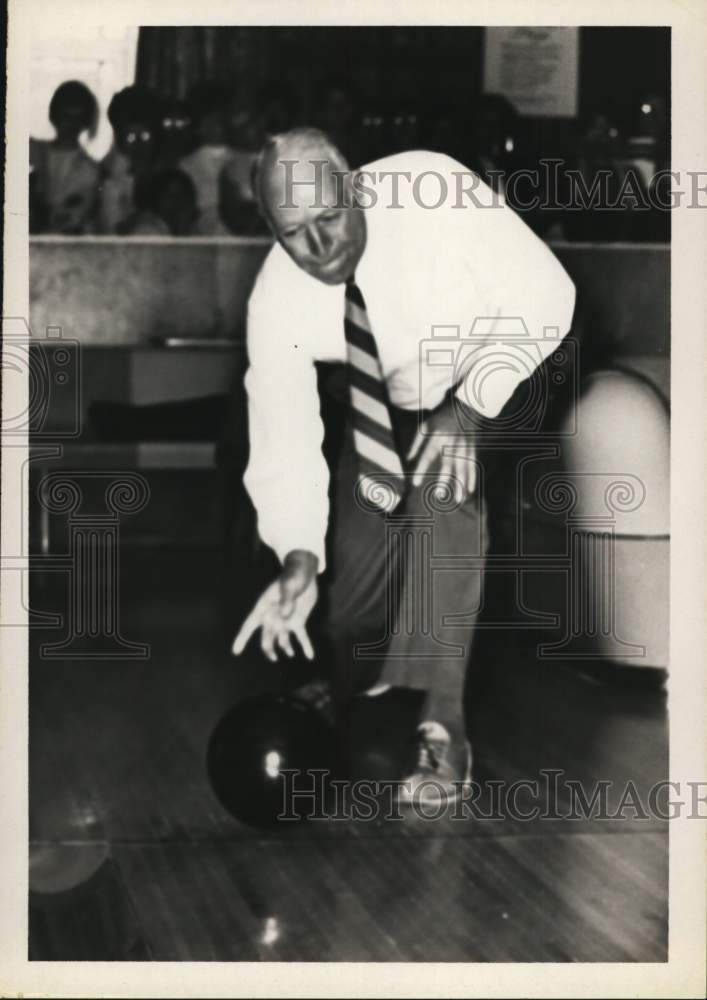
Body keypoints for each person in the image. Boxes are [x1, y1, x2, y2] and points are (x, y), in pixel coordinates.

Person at [232, 129, 576, 804]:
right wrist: (298, 554)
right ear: (270, 229)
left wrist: (471, 410)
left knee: (446, 486)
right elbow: (285, 436)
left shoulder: (435, 190)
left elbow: (547, 297)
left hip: (521, 351)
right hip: (396, 393)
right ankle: (346, 680)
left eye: (329, 219)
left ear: (356, 189)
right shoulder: (276, 298)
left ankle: (442, 724)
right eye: (294, 232)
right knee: (346, 604)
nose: (320, 248)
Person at [30, 81, 100, 234]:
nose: (71, 125)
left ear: (85, 122)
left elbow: (74, 218)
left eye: (77, 119)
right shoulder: (33, 153)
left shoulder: (90, 170)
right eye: (66, 117)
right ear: (55, 116)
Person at [99, 86, 161, 234]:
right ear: (120, 140)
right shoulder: (111, 181)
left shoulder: (164, 173)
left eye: (145, 136)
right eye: (131, 138)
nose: (139, 145)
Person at [178, 81, 234, 235]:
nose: (214, 125)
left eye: (218, 119)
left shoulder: (240, 159)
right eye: (207, 120)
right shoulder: (185, 165)